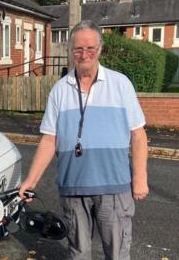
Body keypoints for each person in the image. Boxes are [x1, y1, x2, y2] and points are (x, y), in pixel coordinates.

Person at [18, 20, 149, 260]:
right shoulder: (60, 90)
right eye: (78, 49)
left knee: (118, 253)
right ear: (71, 51)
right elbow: (50, 139)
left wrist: (140, 177)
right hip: (73, 189)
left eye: (90, 48)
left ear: (100, 49)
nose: (84, 54)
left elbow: (138, 135)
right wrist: (31, 179)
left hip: (114, 188)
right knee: (78, 254)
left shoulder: (120, 84)